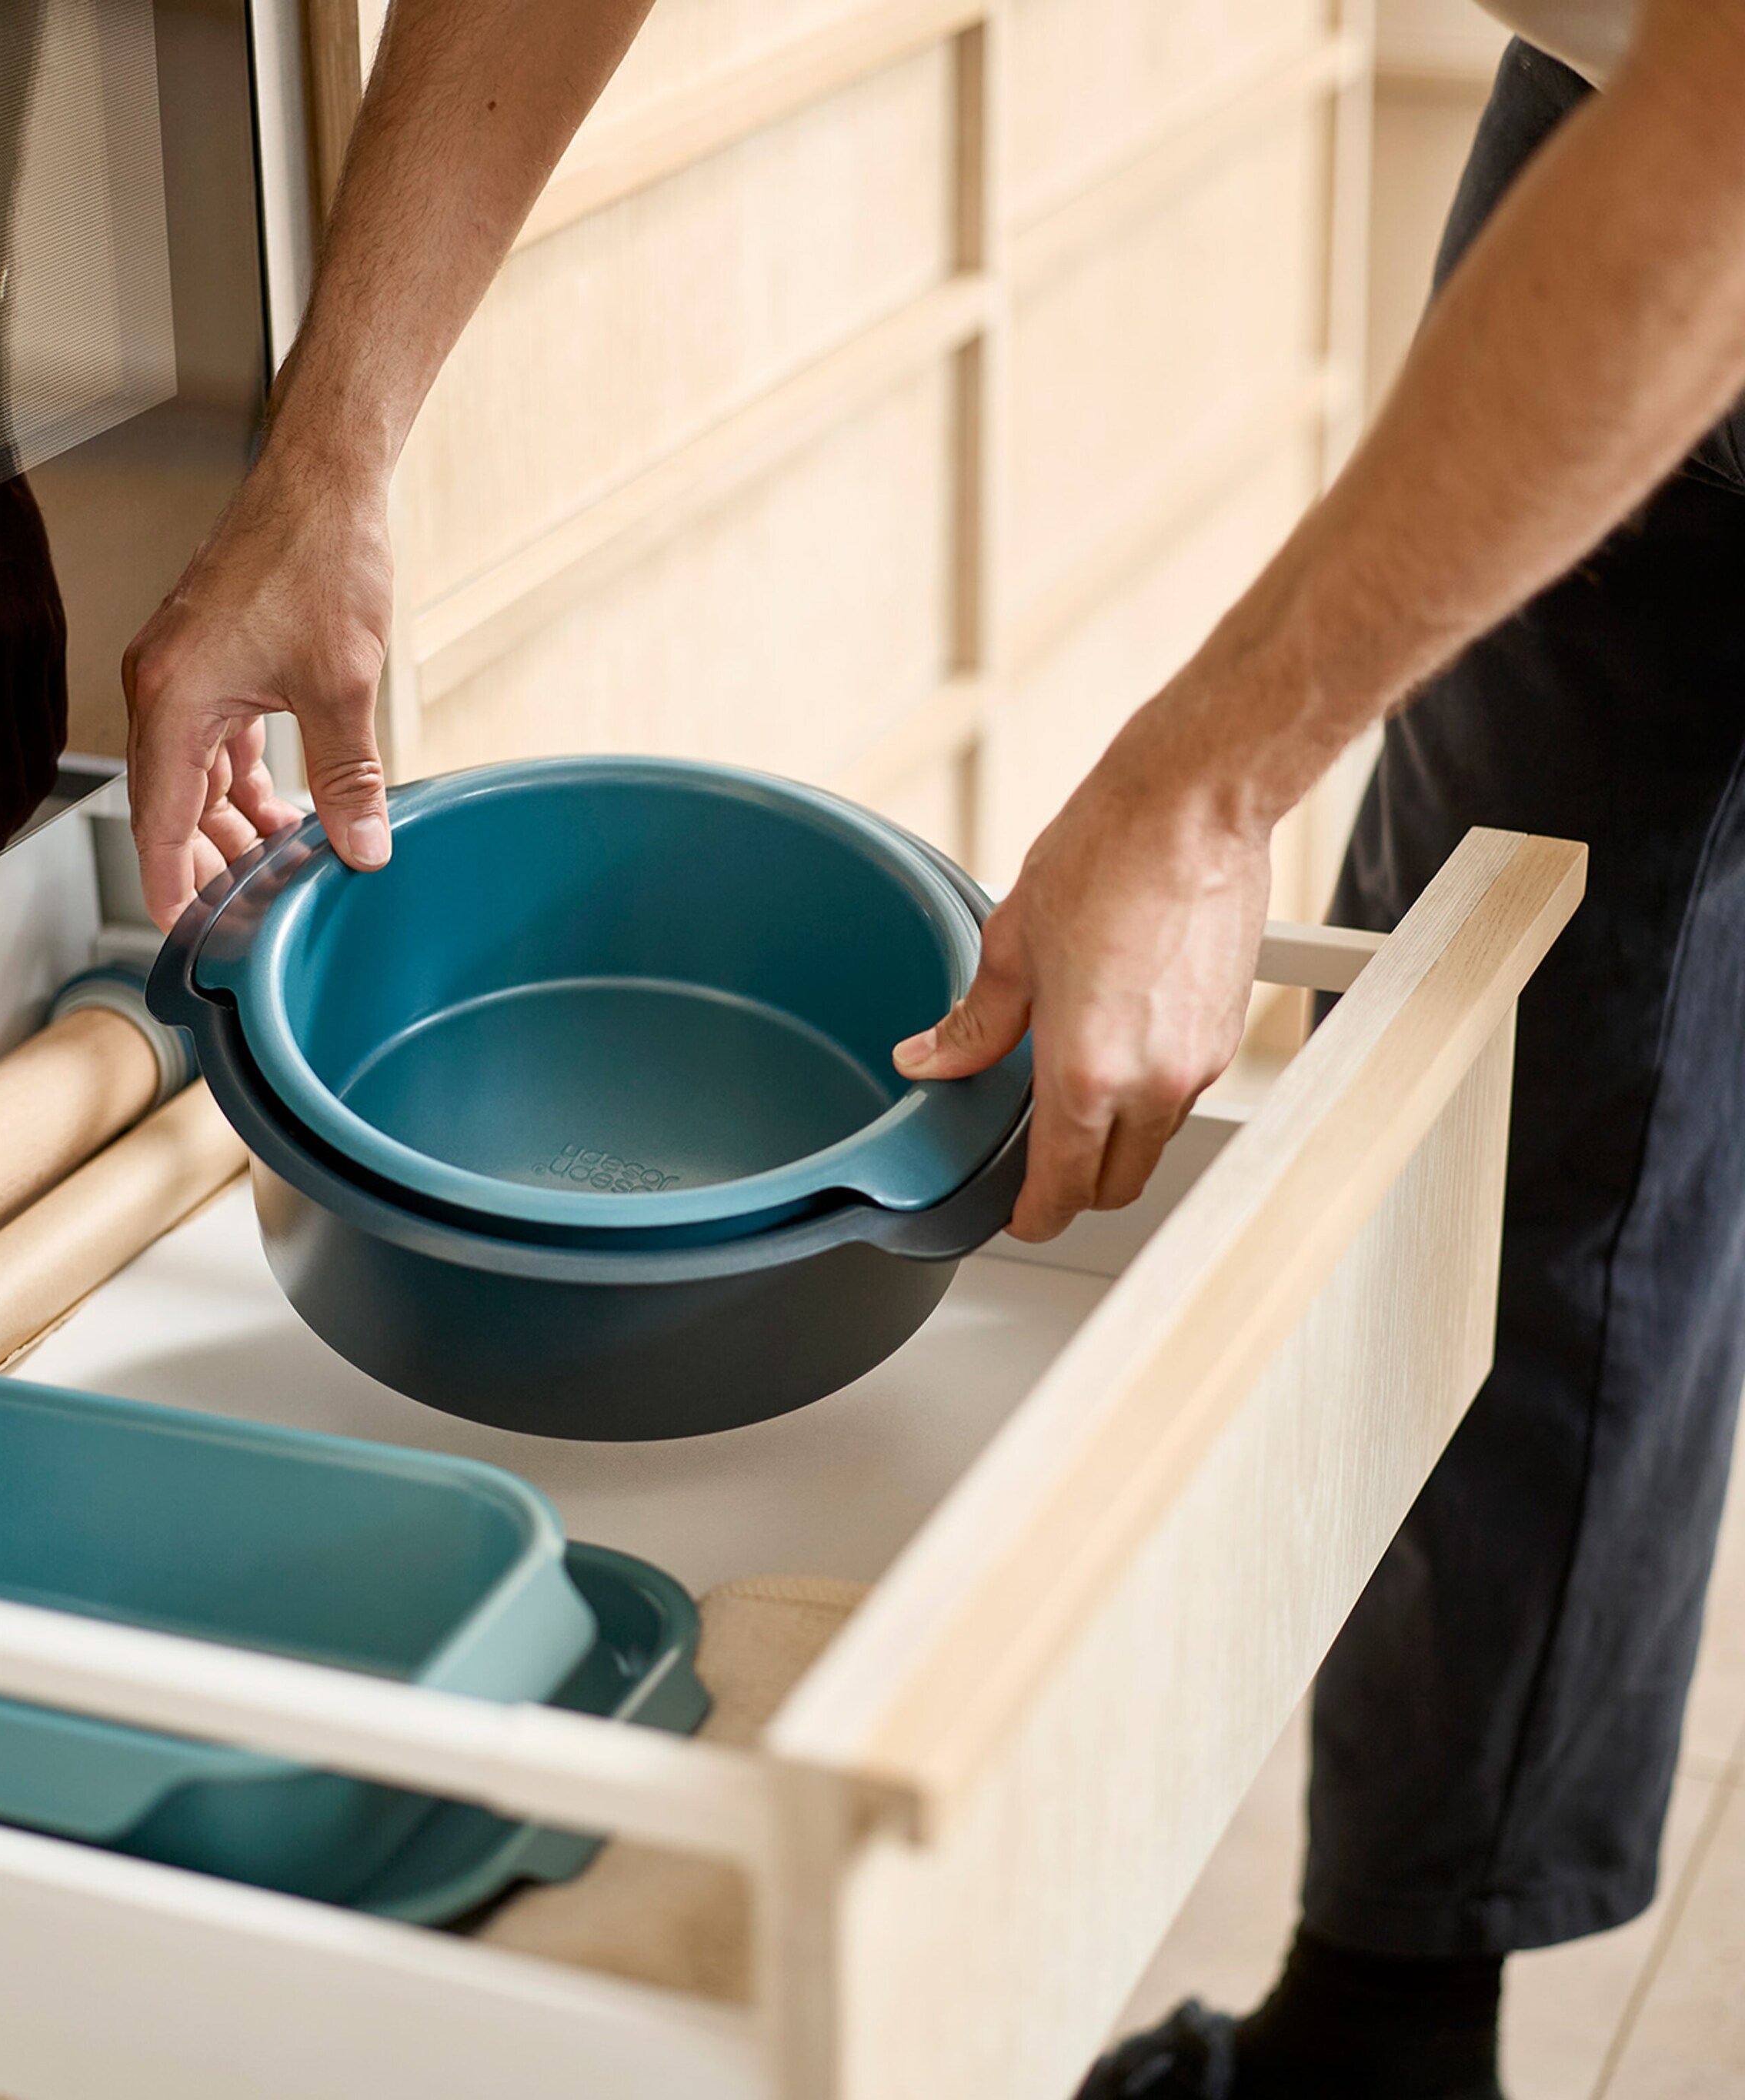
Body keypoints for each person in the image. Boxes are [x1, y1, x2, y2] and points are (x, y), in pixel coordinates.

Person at [124, 2, 1745, 2093]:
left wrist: (1205, 784)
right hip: (1636, 92)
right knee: (1547, 1047)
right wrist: (326, 450)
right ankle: (1390, 2033)